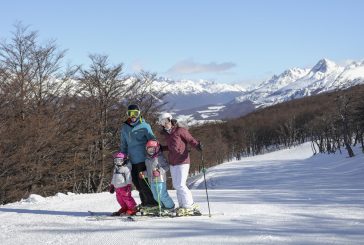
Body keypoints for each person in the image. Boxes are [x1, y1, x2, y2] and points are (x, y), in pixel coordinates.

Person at [158, 112, 203, 216]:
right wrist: (162, 148)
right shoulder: (167, 134)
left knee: (181, 184)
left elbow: (190, 140)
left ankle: (189, 205)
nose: (165, 124)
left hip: (183, 161)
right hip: (173, 162)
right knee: (176, 185)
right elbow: (171, 147)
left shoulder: (180, 130)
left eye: (166, 121)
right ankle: (182, 205)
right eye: (162, 122)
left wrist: (197, 146)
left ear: (170, 120)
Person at [120, 104, 158, 209]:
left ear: (139, 114)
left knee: (144, 182)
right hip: (132, 160)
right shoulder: (125, 128)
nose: (133, 116)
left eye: (135, 113)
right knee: (137, 183)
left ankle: (152, 203)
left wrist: (153, 154)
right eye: (130, 113)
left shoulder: (145, 126)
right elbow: (123, 144)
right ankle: (145, 202)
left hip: (143, 159)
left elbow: (153, 140)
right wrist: (122, 157)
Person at [139, 139, 175, 214]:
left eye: (152, 149)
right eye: (149, 149)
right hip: (151, 181)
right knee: (156, 197)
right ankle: (162, 207)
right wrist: (144, 174)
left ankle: (170, 207)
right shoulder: (147, 159)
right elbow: (149, 171)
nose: (150, 151)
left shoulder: (160, 157)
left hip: (160, 180)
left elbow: (166, 166)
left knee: (162, 195)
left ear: (157, 149)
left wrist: (159, 172)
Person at [109, 152, 137, 216]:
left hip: (124, 187)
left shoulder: (126, 169)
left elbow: (128, 178)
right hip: (117, 188)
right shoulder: (116, 169)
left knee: (127, 198)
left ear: (124, 160)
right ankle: (124, 208)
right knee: (119, 199)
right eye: (116, 161)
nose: (118, 162)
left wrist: (129, 185)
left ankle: (132, 209)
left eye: (120, 161)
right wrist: (112, 185)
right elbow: (114, 178)